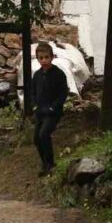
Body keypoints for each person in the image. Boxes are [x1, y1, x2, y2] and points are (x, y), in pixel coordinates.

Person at [30, 42, 69, 176]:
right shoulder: (37, 75)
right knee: (36, 139)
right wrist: (34, 105)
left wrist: (54, 107)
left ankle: (51, 164)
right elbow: (32, 92)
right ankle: (45, 164)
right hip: (40, 111)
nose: (44, 60)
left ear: (52, 57)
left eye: (47, 57)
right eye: (41, 58)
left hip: (53, 112)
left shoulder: (58, 74)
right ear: (37, 58)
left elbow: (63, 93)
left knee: (44, 134)